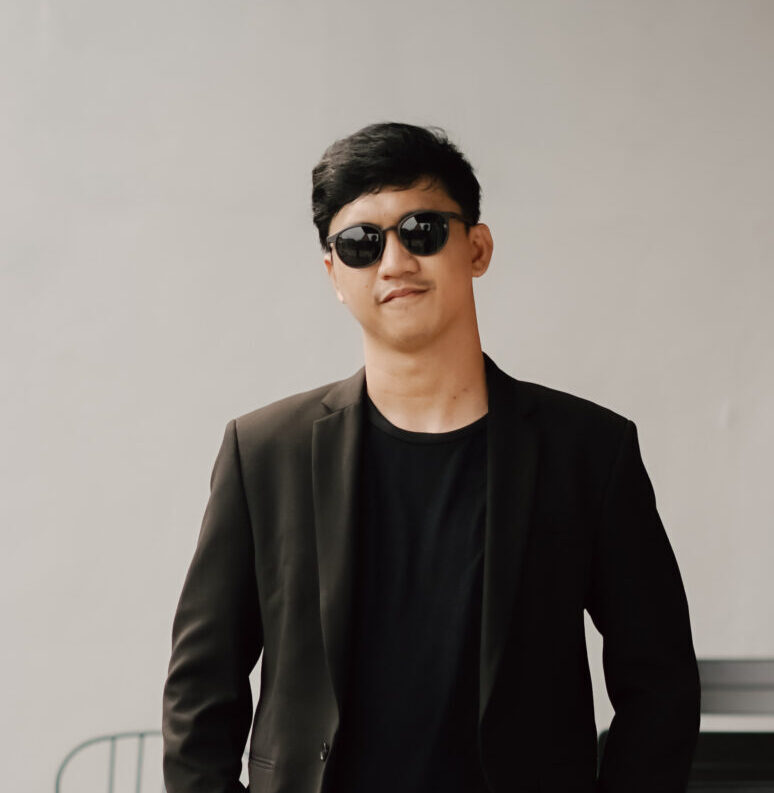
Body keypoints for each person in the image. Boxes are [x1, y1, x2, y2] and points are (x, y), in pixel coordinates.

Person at [162, 121, 700, 793]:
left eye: (421, 230)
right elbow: (200, 691)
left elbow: (659, 682)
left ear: (476, 247)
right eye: (360, 243)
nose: (393, 262)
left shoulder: (588, 450)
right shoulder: (264, 452)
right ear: (334, 274)